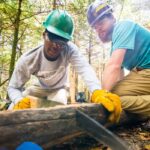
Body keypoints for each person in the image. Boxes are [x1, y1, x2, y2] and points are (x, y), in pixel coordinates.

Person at [7, 9, 122, 124]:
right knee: (14, 106)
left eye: (61, 41)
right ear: (44, 35)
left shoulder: (69, 50)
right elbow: (13, 87)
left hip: (58, 90)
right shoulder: (28, 59)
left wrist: (97, 91)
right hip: (39, 88)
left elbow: (85, 69)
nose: (55, 46)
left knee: (57, 111)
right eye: (52, 38)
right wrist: (19, 100)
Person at [87, 0, 150, 117]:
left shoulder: (122, 26)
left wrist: (103, 95)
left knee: (113, 96)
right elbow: (119, 77)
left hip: (146, 70)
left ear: (112, 18)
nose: (98, 29)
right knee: (114, 96)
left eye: (101, 22)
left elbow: (114, 66)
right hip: (144, 72)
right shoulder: (116, 45)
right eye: (95, 27)